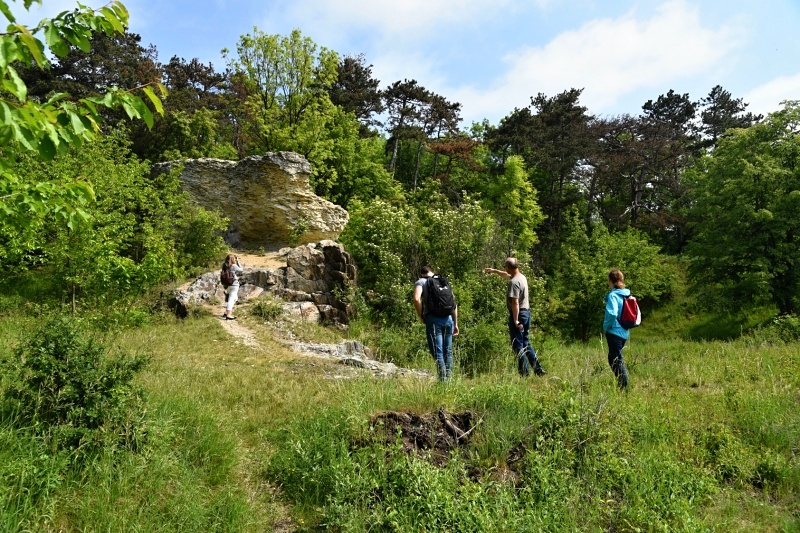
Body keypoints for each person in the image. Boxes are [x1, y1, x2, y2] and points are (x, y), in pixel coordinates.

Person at [484, 258, 546, 377]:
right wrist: (494, 271)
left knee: (518, 345)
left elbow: (515, 303)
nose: (504, 269)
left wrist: (516, 319)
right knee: (526, 343)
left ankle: (524, 374)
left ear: (508, 267)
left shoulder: (514, 283)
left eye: (504, 266)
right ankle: (538, 369)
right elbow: (506, 275)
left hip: (519, 314)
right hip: (527, 313)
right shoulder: (521, 277)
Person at [413, 266, 459, 382]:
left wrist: (421, 315)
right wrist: (455, 323)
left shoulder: (421, 282)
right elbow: (453, 303)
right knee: (447, 351)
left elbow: (416, 299)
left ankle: (443, 382)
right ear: (432, 271)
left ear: (422, 273)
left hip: (434, 320)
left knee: (438, 351)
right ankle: (449, 380)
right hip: (448, 319)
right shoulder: (443, 281)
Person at [603, 269, 631, 389]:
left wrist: (605, 327)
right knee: (614, 358)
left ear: (610, 280)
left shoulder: (613, 295)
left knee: (615, 360)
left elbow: (613, 313)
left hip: (614, 331)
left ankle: (624, 386)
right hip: (624, 331)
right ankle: (621, 384)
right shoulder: (626, 294)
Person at [222, 253, 244, 320]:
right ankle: (228, 315)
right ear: (233, 259)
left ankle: (226, 312)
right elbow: (241, 270)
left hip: (227, 285)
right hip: (234, 284)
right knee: (231, 300)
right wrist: (238, 262)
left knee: (235, 298)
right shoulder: (233, 265)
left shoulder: (224, 265)